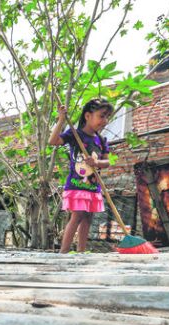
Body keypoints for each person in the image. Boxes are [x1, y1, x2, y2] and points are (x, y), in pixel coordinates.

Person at [49, 98, 114, 254]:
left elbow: (107, 162)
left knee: (88, 218)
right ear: (87, 116)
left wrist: (96, 162)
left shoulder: (102, 140)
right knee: (77, 215)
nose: (105, 121)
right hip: (76, 185)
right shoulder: (75, 134)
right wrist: (61, 120)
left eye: (107, 117)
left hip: (92, 186)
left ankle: (81, 253)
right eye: (102, 116)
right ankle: (63, 253)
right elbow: (53, 141)